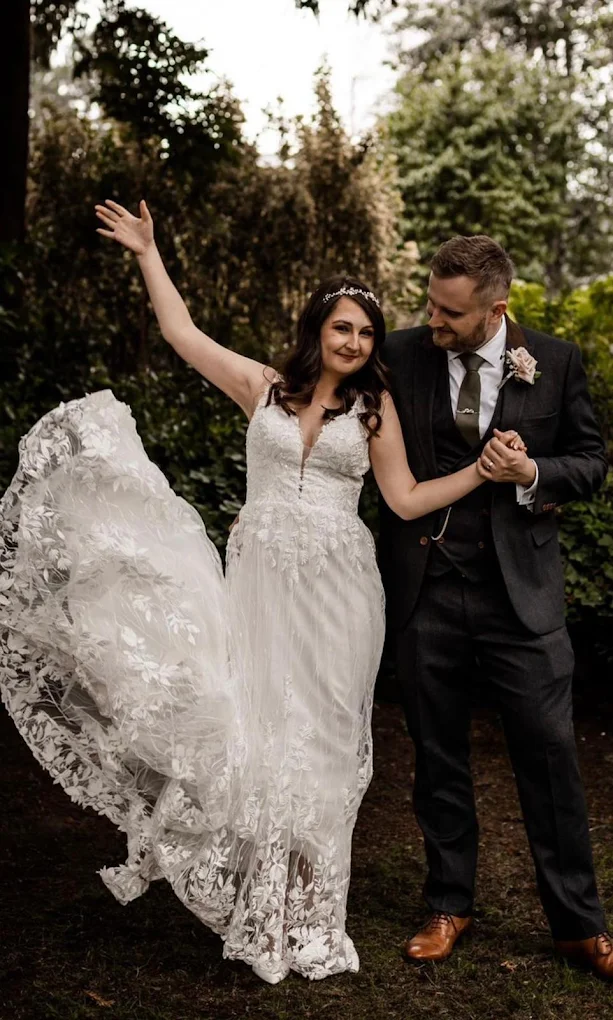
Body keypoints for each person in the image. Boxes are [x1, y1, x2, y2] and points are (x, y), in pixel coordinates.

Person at [0, 201, 523, 984]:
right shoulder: (264, 388)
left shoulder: (374, 410)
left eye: (366, 332)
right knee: (256, 731)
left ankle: (313, 914)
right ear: (317, 328)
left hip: (339, 591)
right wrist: (147, 252)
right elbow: (182, 335)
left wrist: (478, 473)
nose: (353, 342)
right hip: (260, 583)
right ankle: (261, 900)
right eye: (341, 327)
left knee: (323, 743)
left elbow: (407, 499)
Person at [379, 234, 612, 979]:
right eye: (430, 304)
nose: (433, 320)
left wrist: (530, 471)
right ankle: (448, 904)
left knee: (550, 756)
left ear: (496, 309)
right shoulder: (400, 354)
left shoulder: (555, 360)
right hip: (427, 590)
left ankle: (578, 925)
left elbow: (591, 463)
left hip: (522, 599)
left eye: (450, 313)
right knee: (437, 756)